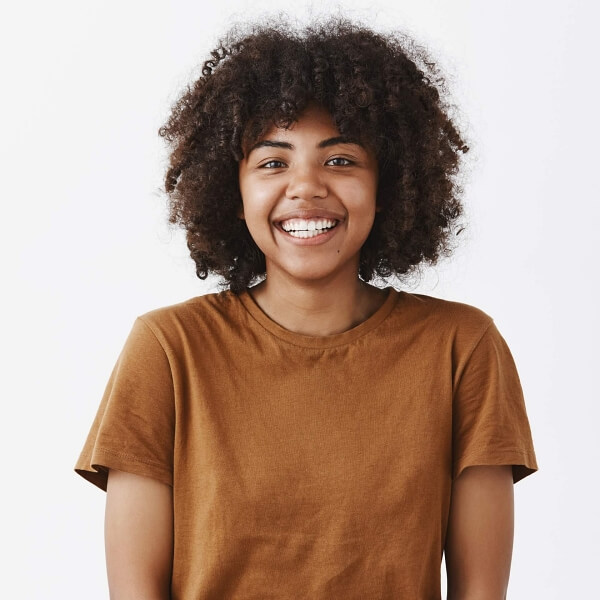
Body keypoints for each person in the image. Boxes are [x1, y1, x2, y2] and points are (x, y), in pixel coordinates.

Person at [75, 17, 538, 600]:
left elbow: (481, 592)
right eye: (273, 162)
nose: (306, 186)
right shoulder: (169, 349)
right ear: (231, 188)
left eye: (340, 160)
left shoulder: (462, 348)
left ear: (388, 182)